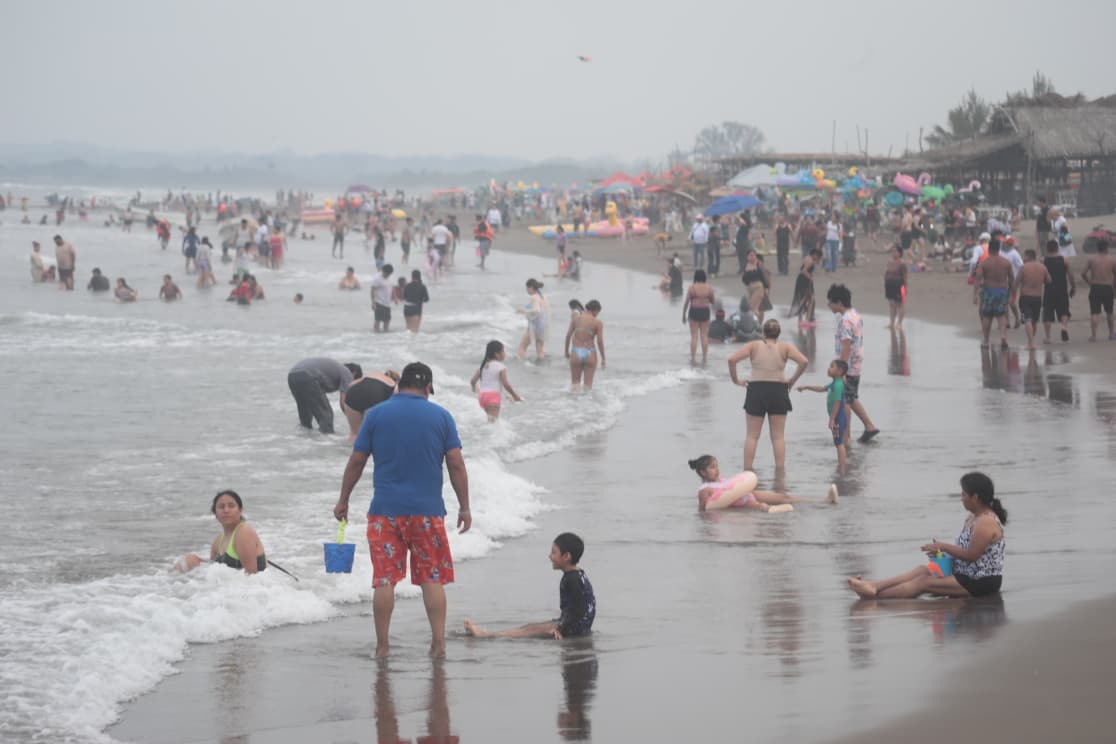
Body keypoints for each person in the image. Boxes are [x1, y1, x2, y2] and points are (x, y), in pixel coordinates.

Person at [333, 362, 471, 658]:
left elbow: (356, 461)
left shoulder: (376, 415)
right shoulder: (441, 416)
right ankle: (438, 644)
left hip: (385, 513)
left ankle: (382, 646)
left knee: (384, 580)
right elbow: (456, 464)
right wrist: (465, 507)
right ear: (427, 387)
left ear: (400, 384)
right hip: (427, 513)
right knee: (432, 578)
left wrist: (343, 499)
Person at [848, 472, 1006, 599]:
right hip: (965, 574)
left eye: (964, 494)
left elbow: (972, 555)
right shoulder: (973, 517)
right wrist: (942, 554)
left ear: (975, 497)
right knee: (923, 570)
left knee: (923, 582)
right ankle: (875, 586)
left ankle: (874, 596)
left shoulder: (985, 521)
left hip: (981, 581)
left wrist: (943, 546)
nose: (961, 498)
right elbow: (966, 551)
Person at [464, 533, 595, 639]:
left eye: (554, 552)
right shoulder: (578, 575)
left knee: (529, 630)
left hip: (574, 628)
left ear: (566, 556)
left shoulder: (572, 579)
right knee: (531, 627)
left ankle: (486, 635)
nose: (549, 556)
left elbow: (579, 609)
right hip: (578, 625)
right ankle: (488, 634)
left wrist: (561, 628)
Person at [728, 319, 808, 470]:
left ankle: (747, 471)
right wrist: (792, 380)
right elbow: (804, 361)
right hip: (778, 390)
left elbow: (732, 360)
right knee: (778, 437)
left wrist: (736, 380)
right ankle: (780, 473)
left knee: (752, 436)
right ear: (779, 333)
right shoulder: (785, 347)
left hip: (757, 389)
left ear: (763, 332)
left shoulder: (754, 345)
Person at [826, 284, 880, 443]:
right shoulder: (855, 315)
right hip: (856, 364)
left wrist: (841, 371)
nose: (829, 306)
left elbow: (846, 346)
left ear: (839, 302)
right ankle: (869, 426)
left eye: (830, 302)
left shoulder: (845, 321)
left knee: (844, 402)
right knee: (850, 397)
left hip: (848, 366)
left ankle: (846, 437)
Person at [688, 455, 838, 512]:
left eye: (717, 466)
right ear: (703, 472)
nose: (717, 470)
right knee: (762, 506)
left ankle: (824, 500)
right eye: (712, 467)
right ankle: (775, 510)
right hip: (739, 502)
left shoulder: (720, 479)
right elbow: (703, 511)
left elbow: (733, 485)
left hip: (746, 494)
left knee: (784, 496)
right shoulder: (704, 490)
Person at [177, 490, 268, 574]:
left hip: (255, 585)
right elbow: (212, 570)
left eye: (231, 506)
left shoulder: (244, 533)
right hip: (229, 584)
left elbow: (252, 575)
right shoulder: (217, 541)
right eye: (221, 507)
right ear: (215, 514)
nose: (226, 510)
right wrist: (195, 562)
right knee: (188, 560)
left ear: (240, 510)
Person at [796, 359, 850, 471]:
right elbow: (821, 389)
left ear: (840, 371)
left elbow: (837, 402)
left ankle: (842, 468)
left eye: (832, 366)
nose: (828, 368)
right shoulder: (834, 383)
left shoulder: (838, 385)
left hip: (838, 417)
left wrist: (832, 419)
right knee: (838, 443)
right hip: (838, 417)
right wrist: (806, 387)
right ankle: (841, 466)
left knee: (839, 443)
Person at [286, 357, 358, 435]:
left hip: (292, 375)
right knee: (326, 416)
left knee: (305, 417)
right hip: (308, 375)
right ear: (354, 374)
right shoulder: (347, 373)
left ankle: (303, 440)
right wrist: (354, 422)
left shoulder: (335, 369)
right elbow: (343, 403)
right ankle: (327, 440)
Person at [973, 238, 1014, 349]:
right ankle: (1003, 336)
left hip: (988, 291)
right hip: (1002, 291)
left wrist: (975, 295)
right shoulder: (1006, 262)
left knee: (987, 317)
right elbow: (1012, 279)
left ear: (989, 249)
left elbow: (977, 279)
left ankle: (986, 341)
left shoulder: (984, 263)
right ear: (998, 249)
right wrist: (1012, 293)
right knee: (1001, 316)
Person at [470, 340, 523, 422]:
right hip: (493, 397)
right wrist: (515, 395)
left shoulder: (483, 366)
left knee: (489, 421)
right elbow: (506, 384)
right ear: (497, 354)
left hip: (482, 397)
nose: (505, 353)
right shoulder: (500, 367)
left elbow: (473, 381)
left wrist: (474, 388)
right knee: (493, 424)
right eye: (503, 351)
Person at [342, 367, 400, 438]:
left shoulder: (372, 375)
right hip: (374, 396)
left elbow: (351, 384)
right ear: (397, 380)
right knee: (377, 433)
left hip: (352, 395)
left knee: (355, 433)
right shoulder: (394, 384)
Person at [564, 299, 605, 391]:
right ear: (595, 310)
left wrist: (566, 351)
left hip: (576, 352)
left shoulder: (576, 319)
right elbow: (600, 341)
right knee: (587, 387)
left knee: (575, 385)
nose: (597, 315)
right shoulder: (598, 323)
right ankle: (586, 400)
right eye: (598, 313)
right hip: (590, 353)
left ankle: (574, 400)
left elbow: (568, 335)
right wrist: (603, 358)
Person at [1081, 239, 1116, 341]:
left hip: (1095, 287)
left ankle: (1094, 336)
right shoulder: (1112, 260)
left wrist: (1089, 282)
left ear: (1097, 248)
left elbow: (1083, 273)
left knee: (1094, 313)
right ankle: (1111, 334)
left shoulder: (1092, 259)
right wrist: (1114, 289)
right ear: (1106, 248)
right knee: (1109, 312)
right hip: (1107, 287)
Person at [1017, 249, 1051, 350]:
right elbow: (1049, 280)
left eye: (1024, 256)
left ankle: (1031, 343)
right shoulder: (1043, 267)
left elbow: (1016, 282)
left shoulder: (1023, 267)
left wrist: (1012, 293)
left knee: (1027, 319)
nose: (1023, 258)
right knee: (1034, 321)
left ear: (1028, 256)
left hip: (1026, 297)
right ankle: (1031, 342)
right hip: (1037, 298)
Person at [682, 269, 715, 365]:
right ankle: (704, 358)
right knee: (704, 336)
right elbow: (713, 301)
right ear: (704, 277)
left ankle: (693, 359)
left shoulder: (692, 288)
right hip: (705, 311)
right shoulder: (709, 288)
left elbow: (686, 302)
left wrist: (683, 315)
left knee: (694, 336)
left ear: (695, 277)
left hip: (694, 311)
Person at [517, 278, 550, 360]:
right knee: (540, 350)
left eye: (527, 288)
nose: (526, 290)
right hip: (544, 327)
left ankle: (523, 364)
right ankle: (541, 366)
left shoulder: (534, 297)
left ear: (531, 288)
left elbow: (536, 310)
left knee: (522, 347)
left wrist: (524, 311)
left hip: (535, 327)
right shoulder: (544, 297)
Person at [789, 249, 822, 326]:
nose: (818, 258)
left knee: (806, 299)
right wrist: (810, 277)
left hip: (804, 280)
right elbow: (803, 271)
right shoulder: (810, 260)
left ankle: (803, 319)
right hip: (804, 281)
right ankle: (807, 319)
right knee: (808, 299)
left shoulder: (808, 258)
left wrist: (810, 275)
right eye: (818, 256)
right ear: (815, 254)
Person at [1000, 236, 1025, 329]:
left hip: (1012, 281)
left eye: (1004, 242)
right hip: (1002, 281)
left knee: (1011, 302)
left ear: (1008, 244)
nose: (1002, 244)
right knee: (1004, 302)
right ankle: (1007, 322)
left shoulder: (1014, 254)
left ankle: (1017, 318)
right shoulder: (1001, 252)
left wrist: (1019, 280)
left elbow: (1021, 266)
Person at [883, 245, 908, 329]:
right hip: (889, 285)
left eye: (895, 251)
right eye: (892, 251)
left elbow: (905, 276)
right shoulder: (889, 261)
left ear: (899, 253)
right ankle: (891, 323)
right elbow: (886, 272)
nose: (893, 253)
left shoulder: (902, 263)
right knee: (892, 305)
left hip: (900, 286)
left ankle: (899, 323)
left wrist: (905, 287)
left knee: (900, 305)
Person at [741, 251, 767, 324]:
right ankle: (758, 324)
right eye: (750, 255)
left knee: (753, 308)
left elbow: (764, 277)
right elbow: (744, 279)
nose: (752, 257)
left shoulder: (759, 264)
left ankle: (755, 325)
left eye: (753, 255)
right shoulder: (745, 266)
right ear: (747, 257)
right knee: (758, 307)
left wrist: (766, 288)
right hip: (749, 288)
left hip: (758, 287)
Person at [370, 264, 394, 332]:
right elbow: (372, 290)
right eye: (386, 274)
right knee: (378, 321)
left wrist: (394, 298)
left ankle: (385, 336)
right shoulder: (377, 278)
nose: (388, 275)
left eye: (389, 274)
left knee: (387, 321)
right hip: (379, 302)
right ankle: (375, 335)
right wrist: (373, 303)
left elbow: (393, 287)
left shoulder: (391, 277)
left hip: (387, 303)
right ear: (383, 271)